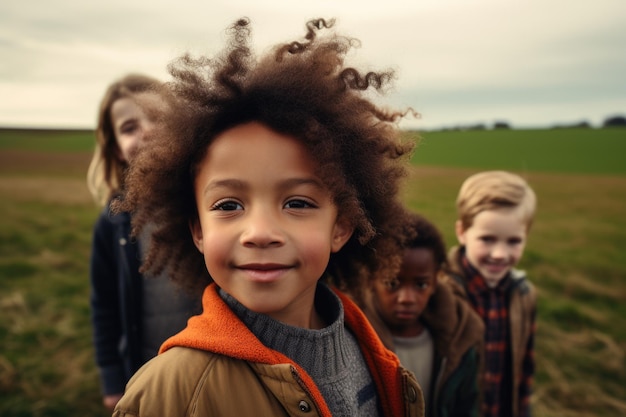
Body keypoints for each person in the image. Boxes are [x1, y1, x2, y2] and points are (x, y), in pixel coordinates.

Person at [112, 17, 424, 417]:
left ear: (342, 226)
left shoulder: (373, 352)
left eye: (297, 203)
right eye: (228, 206)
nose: (259, 233)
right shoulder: (169, 394)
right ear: (198, 231)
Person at [87, 73, 202, 412]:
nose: (146, 131)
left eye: (158, 118)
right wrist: (111, 378)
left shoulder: (205, 203)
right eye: (129, 127)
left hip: (215, 362)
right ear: (116, 150)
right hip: (148, 369)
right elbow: (103, 306)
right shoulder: (113, 223)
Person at [359, 211, 484, 417]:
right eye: (392, 283)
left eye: (421, 284)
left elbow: (468, 405)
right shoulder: (353, 337)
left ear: (436, 282)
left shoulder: (460, 337)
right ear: (372, 280)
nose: (407, 298)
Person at [448, 170, 537, 417]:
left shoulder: (524, 295)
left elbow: (525, 369)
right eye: (487, 239)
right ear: (462, 232)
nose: (500, 254)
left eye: (514, 241)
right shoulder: (442, 292)